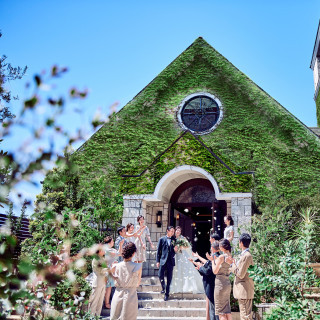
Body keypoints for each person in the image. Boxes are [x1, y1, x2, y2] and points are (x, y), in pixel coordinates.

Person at [110, 242, 142, 320]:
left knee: (115, 316)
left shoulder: (116, 266)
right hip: (131, 296)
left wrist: (115, 277)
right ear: (133, 253)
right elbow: (138, 283)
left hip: (118, 294)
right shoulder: (138, 266)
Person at [226, 233, 254, 320]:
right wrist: (234, 263)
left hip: (244, 290)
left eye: (239, 241)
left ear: (241, 243)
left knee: (245, 316)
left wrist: (232, 264)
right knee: (244, 315)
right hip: (243, 291)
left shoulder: (246, 255)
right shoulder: (243, 254)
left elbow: (240, 274)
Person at [191, 241, 220, 320]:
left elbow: (208, 271)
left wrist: (200, 267)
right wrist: (199, 266)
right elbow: (207, 265)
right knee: (213, 309)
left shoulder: (215, 257)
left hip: (211, 285)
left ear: (213, 248)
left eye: (211, 247)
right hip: (215, 285)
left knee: (213, 311)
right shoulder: (218, 256)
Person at [170, 226, 204, 294]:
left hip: (183, 256)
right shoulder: (173, 239)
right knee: (177, 270)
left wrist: (181, 247)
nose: (178, 232)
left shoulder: (183, 238)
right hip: (177, 256)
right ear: (175, 231)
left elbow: (188, 246)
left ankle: (188, 287)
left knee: (186, 270)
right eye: (177, 230)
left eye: (179, 231)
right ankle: (178, 287)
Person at [211, 238, 232, 320]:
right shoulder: (230, 255)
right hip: (227, 283)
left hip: (220, 284)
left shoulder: (221, 257)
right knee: (227, 310)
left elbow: (215, 271)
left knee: (221, 312)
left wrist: (213, 261)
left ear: (223, 247)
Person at [156, 226, 178, 301]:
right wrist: (157, 261)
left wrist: (175, 250)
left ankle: (167, 294)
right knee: (160, 275)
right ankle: (163, 288)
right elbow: (158, 251)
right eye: (171, 231)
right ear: (167, 231)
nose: (172, 232)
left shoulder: (174, 240)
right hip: (163, 260)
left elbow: (175, 251)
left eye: (173, 231)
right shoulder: (161, 239)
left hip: (170, 261)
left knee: (169, 278)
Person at [88, 245, 109, 317]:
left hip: (102, 282)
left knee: (100, 302)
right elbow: (100, 270)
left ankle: (97, 316)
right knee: (94, 302)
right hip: (97, 283)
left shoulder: (102, 259)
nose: (104, 251)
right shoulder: (95, 260)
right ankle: (91, 317)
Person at [104, 236, 124, 309]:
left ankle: (108, 302)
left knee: (109, 287)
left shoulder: (111, 249)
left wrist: (121, 245)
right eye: (112, 241)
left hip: (112, 270)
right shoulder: (107, 250)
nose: (113, 242)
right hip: (108, 270)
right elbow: (118, 253)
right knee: (108, 287)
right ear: (109, 243)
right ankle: (107, 303)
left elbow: (119, 253)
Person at [134, 215, 155, 285]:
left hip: (143, 242)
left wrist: (151, 243)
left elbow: (148, 236)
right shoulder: (137, 227)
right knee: (136, 260)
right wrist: (142, 244)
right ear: (138, 221)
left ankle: (139, 279)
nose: (142, 221)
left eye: (142, 219)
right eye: (140, 220)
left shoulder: (146, 228)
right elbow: (138, 236)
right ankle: (135, 277)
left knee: (141, 260)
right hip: (138, 242)